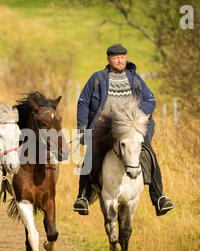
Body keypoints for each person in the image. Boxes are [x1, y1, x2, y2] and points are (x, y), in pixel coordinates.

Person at [73, 44, 175, 216]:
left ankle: (159, 197)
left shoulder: (134, 78)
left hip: (130, 128)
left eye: (122, 57)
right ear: (109, 59)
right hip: (105, 129)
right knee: (90, 157)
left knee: (149, 154)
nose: (120, 60)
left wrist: (135, 116)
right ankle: (83, 197)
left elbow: (151, 100)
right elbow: (83, 102)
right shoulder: (97, 78)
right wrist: (83, 130)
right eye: (116, 57)